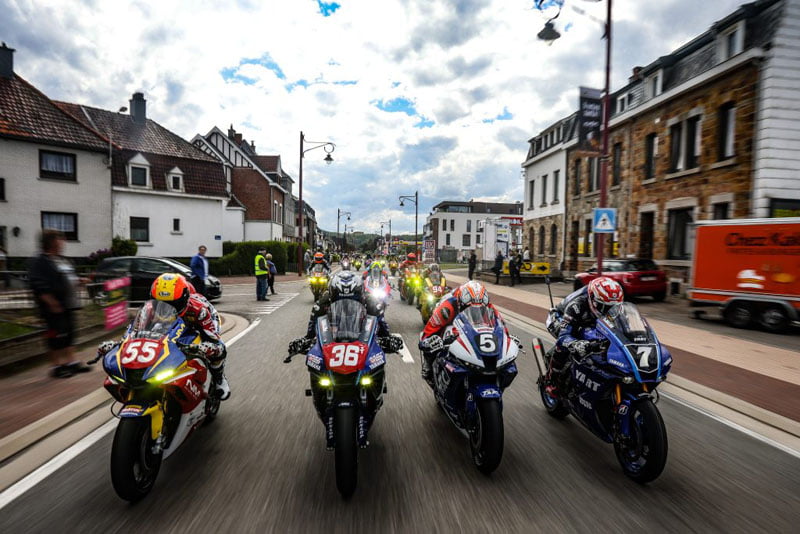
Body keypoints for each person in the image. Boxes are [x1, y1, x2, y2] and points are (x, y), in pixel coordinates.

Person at [98, 273, 231, 399]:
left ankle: (219, 378)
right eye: (160, 303)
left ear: (184, 299)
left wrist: (209, 347)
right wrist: (119, 344)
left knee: (218, 351)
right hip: (173, 324)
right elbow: (134, 332)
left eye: (173, 304)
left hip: (198, 323)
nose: (166, 308)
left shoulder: (200, 310)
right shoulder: (149, 309)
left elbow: (215, 342)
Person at [544, 277, 623, 397]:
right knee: (568, 344)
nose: (608, 311)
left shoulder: (609, 302)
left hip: (588, 319)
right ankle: (553, 378)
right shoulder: (577, 305)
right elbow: (563, 337)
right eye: (604, 307)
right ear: (592, 299)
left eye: (613, 307)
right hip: (560, 317)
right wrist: (576, 344)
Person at [289, 270, 402, 354]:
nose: (347, 305)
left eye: (351, 300)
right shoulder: (322, 303)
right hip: (331, 342)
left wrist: (387, 338)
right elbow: (312, 325)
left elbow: (382, 324)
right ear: (332, 295)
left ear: (361, 295)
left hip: (363, 343)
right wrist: (306, 340)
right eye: (341, 300)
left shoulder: (372, 303)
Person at [27, 230, 91, 378]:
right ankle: (57, 366)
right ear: (51, 242)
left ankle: (70, 363)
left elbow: (67, 278)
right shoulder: (40, 261)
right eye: (60, 240)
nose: (63, 243)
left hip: (68, 304)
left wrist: (79, 281)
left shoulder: (60, 259)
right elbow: (38, 284)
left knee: (69, 333)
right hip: (53, 307)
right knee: (55, 336)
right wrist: (51, 302)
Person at [418, 280, 506, 381]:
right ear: (460, 303)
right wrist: (428, 342)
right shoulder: (447, 307)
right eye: (469, 307)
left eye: (480, 309)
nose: (476, 311)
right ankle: (428, 364)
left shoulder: (487, 305)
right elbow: (428, 330)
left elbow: (501, 326)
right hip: (450, 315)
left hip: (474, 315)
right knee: (439, 335)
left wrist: (507, 338)